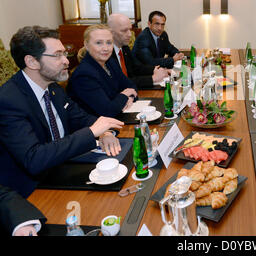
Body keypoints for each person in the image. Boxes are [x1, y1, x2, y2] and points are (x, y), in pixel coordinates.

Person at [0, 26, 124, 198]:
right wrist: (92, 132)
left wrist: (105, 132)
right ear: (32, 62)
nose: (66, 61)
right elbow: (34, 159)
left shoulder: (53, 88)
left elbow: (80, 117)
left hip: (64, 167)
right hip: (33, 190)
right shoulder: (9, 101)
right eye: (57, 55)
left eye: (64, 53)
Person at [67, 24, 138, 118]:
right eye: (98, 43)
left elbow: (131, 86)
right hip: (95, 127)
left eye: (109, 43)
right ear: (86, 45)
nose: (105, 48)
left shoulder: (110, 62)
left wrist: (130, 98)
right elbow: (107, 111)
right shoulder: (83, 75)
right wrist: (125, 95)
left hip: (118, 117)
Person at [107, 13, 170, 88]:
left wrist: (156, 69)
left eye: (130, 29)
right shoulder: (106, 54)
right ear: (111, 32)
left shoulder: (124, 48)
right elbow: (120, 82)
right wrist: (152, 79)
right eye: (124, 30)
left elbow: (135, 68)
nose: (130, 34)